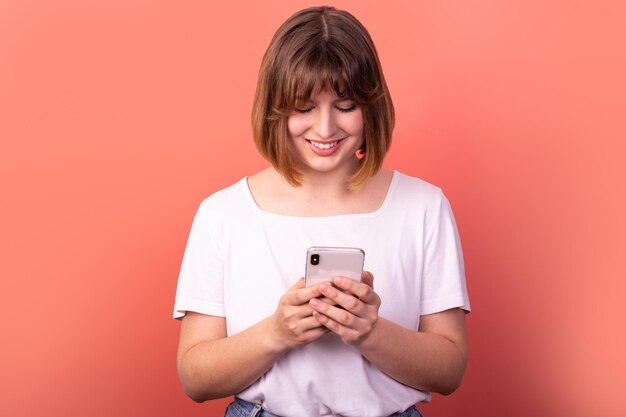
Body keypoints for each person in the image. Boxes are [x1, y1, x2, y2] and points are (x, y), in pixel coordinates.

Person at [173, 6, 470, 417]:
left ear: (372, 108)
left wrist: (369, 332)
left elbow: (450, 369)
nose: (326, 129)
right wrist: (277, 332)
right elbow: (195, 377)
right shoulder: (223, 214)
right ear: (275, 109)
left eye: (345, 106)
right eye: (303, 107)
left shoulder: (424, 206)